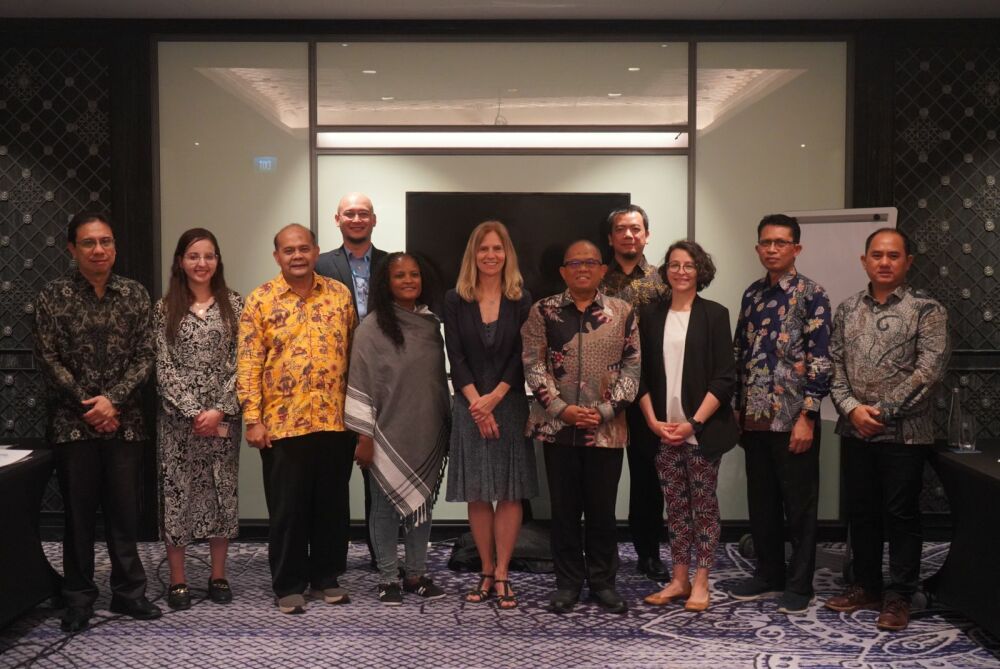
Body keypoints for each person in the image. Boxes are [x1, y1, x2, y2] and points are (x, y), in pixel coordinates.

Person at [34, 211, 161, 633]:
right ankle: (79, 598)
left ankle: (129, 594)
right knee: (79, 516)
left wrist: (114, 402)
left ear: (115, 247)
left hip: (126, 422)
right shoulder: (53, 296)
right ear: (72, 249)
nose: (99, 250)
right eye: (88, 243)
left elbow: (147, 354)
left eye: (105, 241)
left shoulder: (135, 294)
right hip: (74, 424)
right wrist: (91, 405)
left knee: (126, 513)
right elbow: (48, 358)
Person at [825, 228, 949, 631]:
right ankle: (866, 585)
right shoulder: (846, 309)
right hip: (855, 430)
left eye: (893, 256)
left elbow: (928, 372)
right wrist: (850, 409)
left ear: (907, 262)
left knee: (900, 515)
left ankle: (899, 596)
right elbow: (835, 367)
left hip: (905, 434)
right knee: (861, 512)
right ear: (864, 260)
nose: (884, 262)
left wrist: (880, 411)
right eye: (876, 255)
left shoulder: (927, 310)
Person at [237, 224, 357, 614]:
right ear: (277, 256)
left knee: (332, 506)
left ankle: (326, 577)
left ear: (316, 251)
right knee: (288, 510)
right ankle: (288, 583)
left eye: (304, 248)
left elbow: (355, 357)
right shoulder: (260, 300)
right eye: (288, 250)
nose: (297, 256)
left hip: (334, 422)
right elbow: (249, 363)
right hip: (281, 425)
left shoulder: (339, 296)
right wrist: (252, 419)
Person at [522, 239, 640, 615]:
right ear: (563, 271)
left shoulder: (623, 312)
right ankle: (568, 582)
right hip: (557, 429)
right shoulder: (543, 311)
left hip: (606, 430)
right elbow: (533, 364)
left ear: (603, 269)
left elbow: (633, 368)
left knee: (603, 510)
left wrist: (605, 410)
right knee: (565, 510)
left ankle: (604, 582)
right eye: (574, 263)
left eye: (590, 262)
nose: (583, 269)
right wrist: (561, 409)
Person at [729, 213, 832, 615]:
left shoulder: (812, 294)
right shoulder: (752, 294)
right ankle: (768, 572)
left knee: (800, 506)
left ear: (796, 248)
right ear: (757, 248)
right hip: (754, 417)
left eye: (781, 243)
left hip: (794, 419)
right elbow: (740, 353)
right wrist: (737, 409)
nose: (772, 249)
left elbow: (821, 359)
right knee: (762, 501)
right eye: (766, 243)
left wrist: (808, 415)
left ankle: (799, 582)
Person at [635, 241, 739, 612]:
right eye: (674, 264)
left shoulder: (715, 314)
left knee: (703, 507)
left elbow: (725, 379)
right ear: (666, 271)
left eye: (689, 265)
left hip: (701, 432)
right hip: (662, 430)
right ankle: (678, 578)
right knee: (675, 508)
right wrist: (651, 421)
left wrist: (693, 422)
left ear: (701, 271)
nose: (681, 271)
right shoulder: (649, 315)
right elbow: (640, 374)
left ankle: (701, 580)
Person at [345, 253, 451, 606]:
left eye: (414, 274)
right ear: (385, 283)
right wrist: (364, 436)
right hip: (384, 433)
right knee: (384, 508)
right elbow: (360, 383)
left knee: (422, 503)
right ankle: (388, 577)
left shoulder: (432, 324)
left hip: (427, 428)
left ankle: (416, 574)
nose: (408, 280)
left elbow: (435, 382)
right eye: (400, 275)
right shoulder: (371, 328)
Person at [444, 221, 538, 610]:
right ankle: (485, 569)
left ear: (507, 254)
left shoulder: (521, 298)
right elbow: (456, 355)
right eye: (483, 249)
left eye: (497, 248)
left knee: (510, 492)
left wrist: (494, 398)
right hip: (469, 404)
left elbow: (523, 355)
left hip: (510, 401)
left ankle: (503, 575)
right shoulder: (454, 298)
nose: (490, 255)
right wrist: (476, 403)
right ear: (473, 254)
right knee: (479, 491)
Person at [154, 228, 243, 610]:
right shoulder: (163, 308)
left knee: (222, 492)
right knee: (177, 495)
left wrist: (220, 408)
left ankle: (218, 574)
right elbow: (162, 365)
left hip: (223, 415)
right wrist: (193, 411)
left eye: (209, 256)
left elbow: (246, 362)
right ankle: (178, 580)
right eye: (193, 256)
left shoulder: (236, 306)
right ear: (180, 261)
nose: (201, 263)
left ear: (218, 260)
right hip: (178, 420)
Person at [316, 192, 388, 568]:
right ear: (337, 219)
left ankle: (382, 555)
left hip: (382, 382)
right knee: (334, 475)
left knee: (379, 474)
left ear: (374, 220)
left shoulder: (393, 264)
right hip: (334, 383)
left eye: (363, 213)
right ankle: (333, 559)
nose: (356, 219)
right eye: (350, 214)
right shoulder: (319, 264)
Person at [600, 204, 670, 582]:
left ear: (647, 235)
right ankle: (602, 554)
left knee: (647, 478)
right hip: (603, 394)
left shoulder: (664, 282)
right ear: (611, 237)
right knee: (602, 481)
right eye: (622, 229)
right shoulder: (594, 280)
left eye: (636, 229)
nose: (629, 235)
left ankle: (648, 553)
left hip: (650, 394)